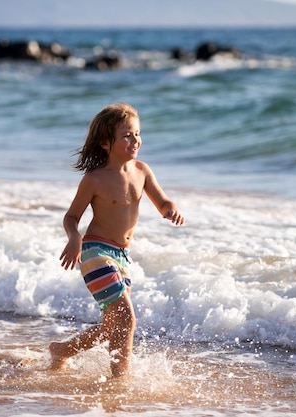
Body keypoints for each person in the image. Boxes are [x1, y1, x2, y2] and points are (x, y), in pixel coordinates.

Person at [49, 102, 185, 378]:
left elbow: (162, 201)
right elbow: (71, 217)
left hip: (122, 256)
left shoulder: (142, 171)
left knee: (111, 327)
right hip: (95, 252)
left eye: (137, 134)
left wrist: (170, 208)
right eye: (127, 135)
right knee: (127, 318)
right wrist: (74, 238)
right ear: (104, 143)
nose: (135, 140)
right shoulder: (95, 179)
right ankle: (119, 381)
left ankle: (62, 350)